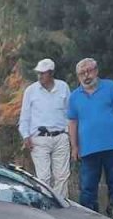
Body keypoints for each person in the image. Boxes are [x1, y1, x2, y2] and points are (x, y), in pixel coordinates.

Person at [66, 57, 113, 218]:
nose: (86, 76)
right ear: (78, 76)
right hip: (88, 149)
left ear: (96, 71)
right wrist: (74, 147)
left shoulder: (110, 86)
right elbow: (72, 122)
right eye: (82, 73)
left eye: (89, 71)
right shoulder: (74, 97)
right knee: (87, 187)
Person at [17, 58, 72, 194]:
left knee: (62, 176)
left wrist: (70, 134)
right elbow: (25, 117)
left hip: (60, 136)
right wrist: (25, 136)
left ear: (51, 73)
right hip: (39, 138)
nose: (40, 76)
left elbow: (69, 113)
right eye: (39, 73)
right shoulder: (31, 91)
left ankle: (61, 206)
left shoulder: (63, 87)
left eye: (43, 73)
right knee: (43, 177)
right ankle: (46, 205)